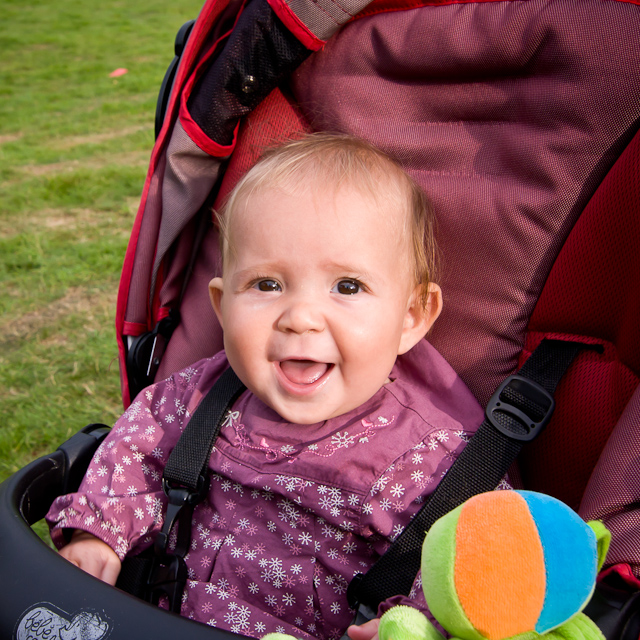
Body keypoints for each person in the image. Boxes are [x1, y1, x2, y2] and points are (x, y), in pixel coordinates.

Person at [47, 133, 487, 640]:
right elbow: (135, 454)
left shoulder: (427, 457)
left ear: (411, 317)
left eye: (347, 286)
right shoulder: (200, 397)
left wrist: (417, 626)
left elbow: (472, 558)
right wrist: (100, 532)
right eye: (266, 284)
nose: (300, 318)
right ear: (222, 305)